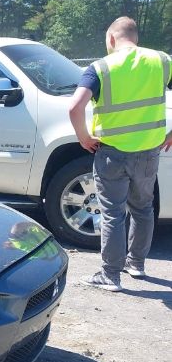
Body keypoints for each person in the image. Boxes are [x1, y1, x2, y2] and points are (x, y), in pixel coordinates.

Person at [68, 16, 172, 292]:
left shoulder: (100, 67)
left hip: (112, 152)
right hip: (149, 151)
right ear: (135, 37)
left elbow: (74, 108)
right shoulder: (161, 60)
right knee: (143, 208)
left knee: (113, 213)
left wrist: (84, 138)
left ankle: (110, 275)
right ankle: (136, 264)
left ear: (111, 38)